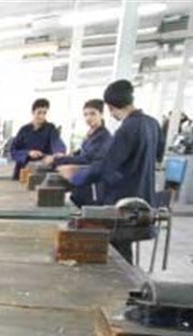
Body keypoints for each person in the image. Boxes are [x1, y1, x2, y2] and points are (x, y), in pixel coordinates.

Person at [59, 79, 164, 262]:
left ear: (109, 107)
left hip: (124, 202)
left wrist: (75, 176)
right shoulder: (152, 124)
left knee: (118, 251)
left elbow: (107, 167)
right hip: (145, 198)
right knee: (124, 247)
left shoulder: (126, 129)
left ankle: (127, 281)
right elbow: (158, 156)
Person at [46, 99, 112, 206]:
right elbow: (82, 153)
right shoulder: (91, 134)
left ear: (101, 114)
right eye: (85, 114)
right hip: (82, 185)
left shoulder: (103, 138)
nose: (88, 118)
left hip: (93, 188)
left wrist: (58, 159)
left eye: (93, 114)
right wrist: (66, 156)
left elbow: (87, 159)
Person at [10, 98, 66, 180]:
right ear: (33, 112)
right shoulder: (24, 130)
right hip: (23, 172)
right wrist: (28, 153)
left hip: (43, 170)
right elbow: (13, 150)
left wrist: (58, 153)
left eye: (44, 113)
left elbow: (56, 142)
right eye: (39, 113)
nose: (42, 116)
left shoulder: (51, 129)